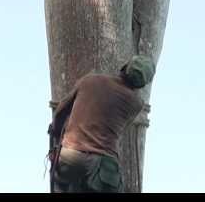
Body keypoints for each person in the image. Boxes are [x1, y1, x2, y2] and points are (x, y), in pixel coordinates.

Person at [47, 55, 156, 193]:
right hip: (101, 164)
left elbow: (61, 111)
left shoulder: (90, 80)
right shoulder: (136, 104)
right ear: (143, 84)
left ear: (125, 67)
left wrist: (57, 133)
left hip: (70, 156)